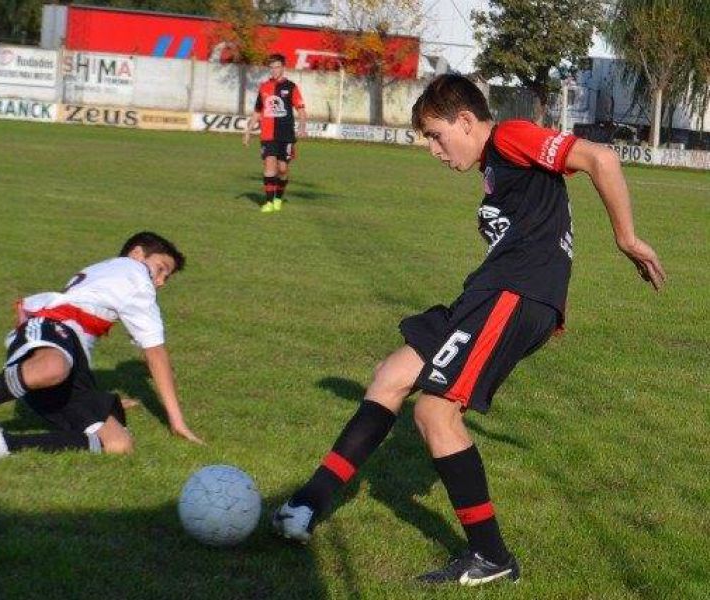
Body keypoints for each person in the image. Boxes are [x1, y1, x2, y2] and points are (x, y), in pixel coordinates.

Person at [272, 74, 666, 586]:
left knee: (436, 411)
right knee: (391, 374)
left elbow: (601, 159)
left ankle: (490, 555)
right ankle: (307, 503)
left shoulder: (509, 138)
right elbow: (544, 224)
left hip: (510, 295)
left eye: (436, 136)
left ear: (465, 120)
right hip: (491, 296)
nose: (434, 150)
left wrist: (627, 238)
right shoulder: (497, 165)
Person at [0, 231, 203, 465]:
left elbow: (138, 352)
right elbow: (155, 353)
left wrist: (111, 400)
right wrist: (176, 420)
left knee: (118, 444)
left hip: (63, 348)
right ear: (136, 254)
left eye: (166, 278)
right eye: (161, 269)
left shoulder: (113, 275)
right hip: (50, 332)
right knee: (52, 368)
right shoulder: (134, 274)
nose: (160, 281)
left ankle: (0, 443)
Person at [243, 53, 307, 213]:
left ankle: (278, 197)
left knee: (283, 169)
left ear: (283, 68)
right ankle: (269, 202)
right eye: (271, 67)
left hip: (286, 135)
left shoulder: (291, 87)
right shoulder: (264, 87)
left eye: (277, 67)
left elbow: (301, 109)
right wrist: (248, 131)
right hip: (267, 135)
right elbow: (258, 111)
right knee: (269, 165)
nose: (274, 70)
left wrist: (302, 127)